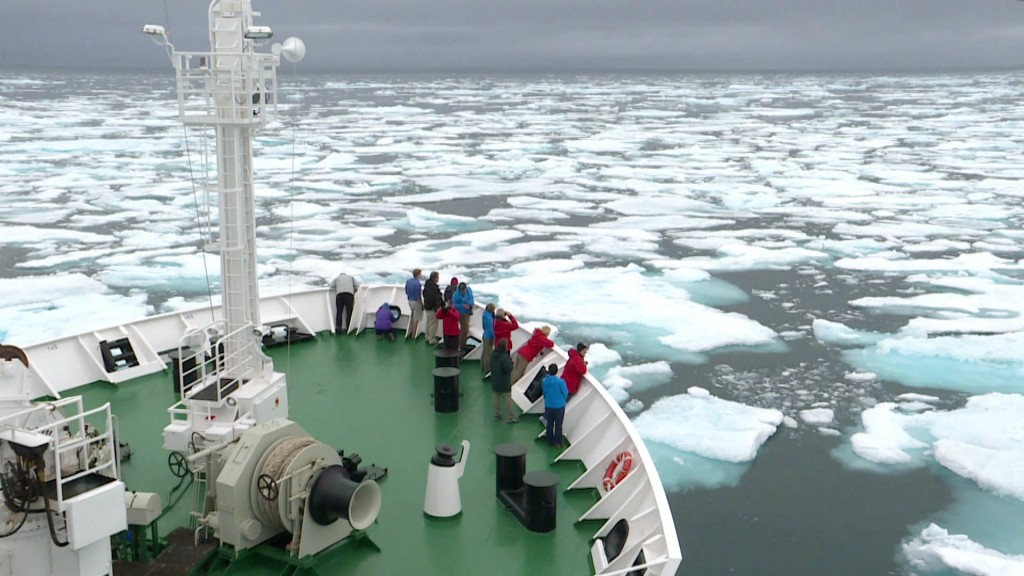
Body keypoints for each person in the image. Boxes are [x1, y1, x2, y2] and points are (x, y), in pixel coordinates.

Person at [541, 363, 568, 448]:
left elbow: (544, 392)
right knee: (558, 425)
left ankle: (550, 441)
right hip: (559, 406)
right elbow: (565, 392)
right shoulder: (560, 382)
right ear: (556, 371)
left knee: (549, 424)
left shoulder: (544, 381)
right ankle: (558, 443)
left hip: (548, 405)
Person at [490, 338, 517, 423]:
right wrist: (511, 363)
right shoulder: (504, 356)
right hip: (504, 381)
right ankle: (510, 416)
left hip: (495, 379)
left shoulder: (493, 354)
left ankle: (497, 413)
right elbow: (508, 368)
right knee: (508, 398)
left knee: (496, 397)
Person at [452, 282, 475, 351]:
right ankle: (461, 345)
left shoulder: (469, 290)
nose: (463, 292)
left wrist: (471, 304)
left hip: (468, 312)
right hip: (461, 313)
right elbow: (454, 305)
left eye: (464, 290)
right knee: (465, 330)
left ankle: (462, 344)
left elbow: (472, 298)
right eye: (462, 291)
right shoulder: (456, 295)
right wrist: (463, 305)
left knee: (464, 329)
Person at [422, 271, 443, 345]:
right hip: (432, 308)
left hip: (427, 307)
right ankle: (432, 339)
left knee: (428, 322)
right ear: (435, 278)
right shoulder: (434, 288)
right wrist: (438, 305)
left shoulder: (427, 286)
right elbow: (435, 298)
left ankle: (427, 337)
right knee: (433, 324)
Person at [404, 269, 423, 340]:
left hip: (409, 301)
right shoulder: (417, 283)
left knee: (413, 316)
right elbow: (418, 297)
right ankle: (413, 335)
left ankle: (410, 331)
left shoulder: (408, 281)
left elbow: (406, 291)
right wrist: (422, 304)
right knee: (416, 318)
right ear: (418, 274)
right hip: (416, 302)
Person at [481, 303, 496, 377]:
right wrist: (494, 337)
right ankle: (487, 369)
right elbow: (491, 329)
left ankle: (482, 366)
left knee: (484, 351)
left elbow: (484, 326)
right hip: (489, 337)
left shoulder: (485, 314)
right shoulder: (490, 318)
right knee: (488, 353)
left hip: (485, 334)